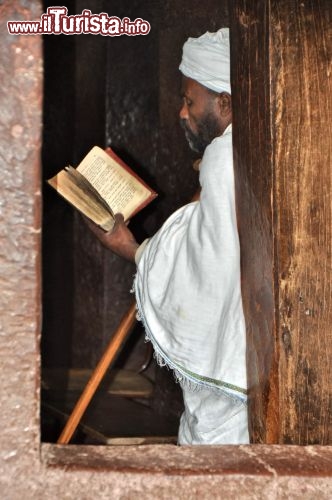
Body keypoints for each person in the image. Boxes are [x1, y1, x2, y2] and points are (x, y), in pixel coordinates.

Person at [88, 28, 249, 445]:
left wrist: (128, 246)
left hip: (231, 385)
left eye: (189, 100)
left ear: (225, 103)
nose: (182, 113)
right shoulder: (242, 152)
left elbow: (206, 271)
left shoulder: (223, 159)